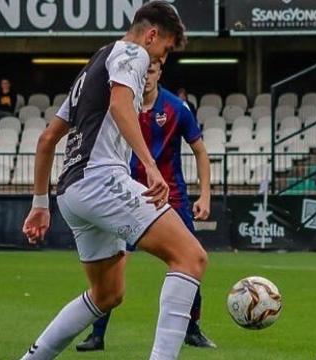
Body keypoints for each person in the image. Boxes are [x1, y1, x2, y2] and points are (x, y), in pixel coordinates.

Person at [20, 2, 207, 359]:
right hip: (100, 179)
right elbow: (122, 106)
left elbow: (47, 140)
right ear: (152, 35)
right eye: (165, 49)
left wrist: (40, 205)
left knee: (107, 294)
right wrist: (150, 165)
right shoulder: (132, 53)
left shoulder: (95, 63)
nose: (158, 60)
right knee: (191, 257)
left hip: (71, 192)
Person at [75, 61, 215, 352]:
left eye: (153, 71)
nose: (147, 77)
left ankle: (193, 328)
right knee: (115, 262)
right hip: (129, 197)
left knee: (190, 258)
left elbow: (200, 151)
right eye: (144, 72)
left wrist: (205, 195)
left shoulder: (178, 108)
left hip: (173, 196)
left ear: (160, 73)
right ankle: (97, 334)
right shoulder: (123, 106)